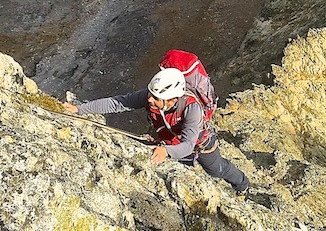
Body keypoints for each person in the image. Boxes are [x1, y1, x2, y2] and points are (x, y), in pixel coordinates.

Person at [62, 50, 249, 196]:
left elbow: (189, 144)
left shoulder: (192, 109)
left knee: (217, 170)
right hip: (169, 145)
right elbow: (117, 103)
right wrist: (79, 109)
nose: (150, 100)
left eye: (156, 98)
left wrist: (166, 151)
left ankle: (242, 183)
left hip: (201, 144)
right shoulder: (150, 96)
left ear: (171, 99)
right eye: (151, 95)